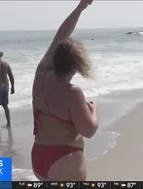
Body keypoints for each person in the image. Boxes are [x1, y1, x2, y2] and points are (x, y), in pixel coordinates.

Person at [31, 0, 98, 181]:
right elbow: (88, 130)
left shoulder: (40, 75)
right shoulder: (72, 92)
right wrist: (93, 111)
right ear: (77, 65)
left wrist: (80, 8)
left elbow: (60, 36)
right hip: (64, 156)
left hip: (39, 156)